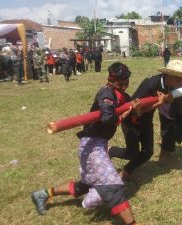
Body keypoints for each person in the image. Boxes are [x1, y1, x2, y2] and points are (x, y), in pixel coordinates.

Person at [31, 62, 139, 225]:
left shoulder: (121, 94)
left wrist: (137, 110)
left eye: (126, 81)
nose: (124, 85)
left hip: (98, 144)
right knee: (112, 184)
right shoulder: (106, 93)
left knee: (85, 185)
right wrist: (124, 115)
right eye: (121, 82)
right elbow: (107, 118)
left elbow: (134, 111)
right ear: (111, 80)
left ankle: (42, 194)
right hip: (91, 145)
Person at [108, 60, 182, 180]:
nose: (181, 82)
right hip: (132, 120)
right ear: (169, 76)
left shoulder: (169, 84)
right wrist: (159, 103)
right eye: (179, 79)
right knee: (132, 153)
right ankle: (110, 150)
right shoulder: (151, 84)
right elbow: (135, 110)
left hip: (146, 120)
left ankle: (126, 171)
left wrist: (168, 99)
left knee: (148, 152)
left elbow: (167, 96)